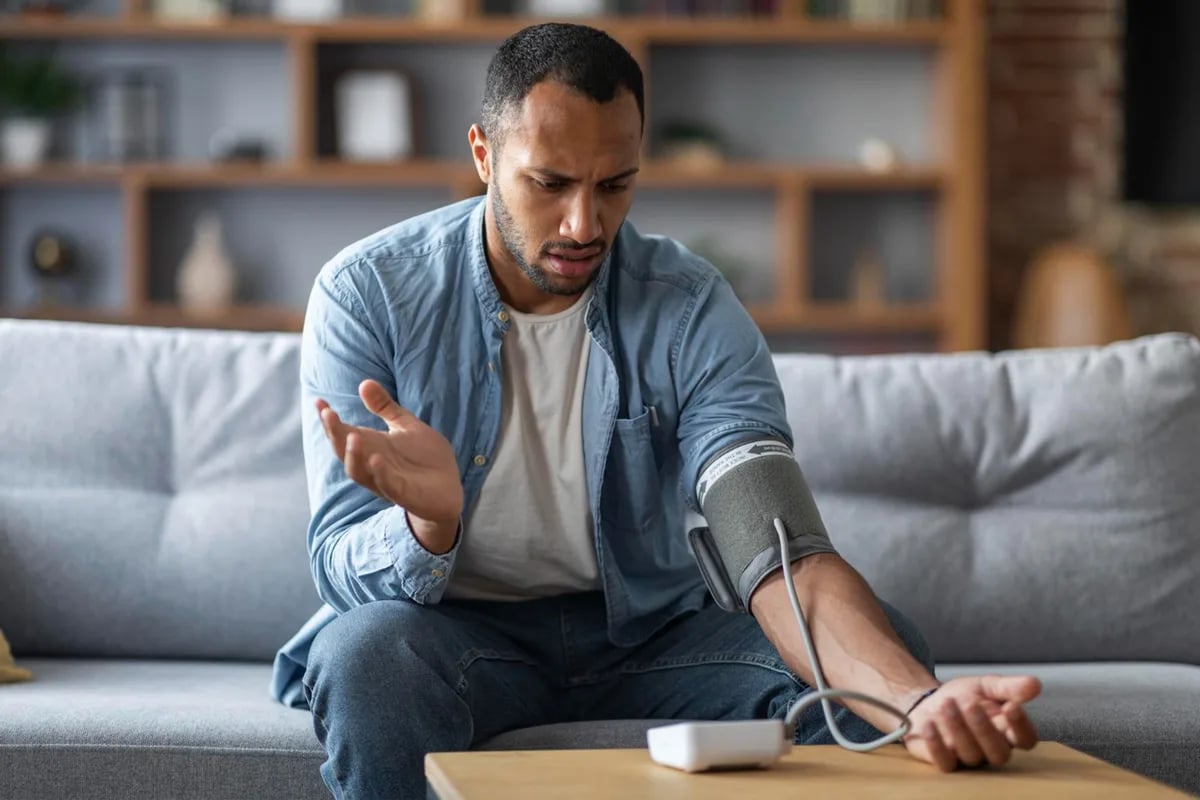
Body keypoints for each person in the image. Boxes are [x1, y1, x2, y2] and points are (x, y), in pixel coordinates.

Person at [270, 21, 1042, 799]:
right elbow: (338, 568)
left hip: (647, 638)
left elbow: (774, 547)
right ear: (483, 155)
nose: (584, 225)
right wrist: (426, 525)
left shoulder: (690, 308)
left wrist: (919, 700)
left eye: (615, 185)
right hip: (458, 636)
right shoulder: (368, 294)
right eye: (550, 183)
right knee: (363, 656)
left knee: (883, 660)